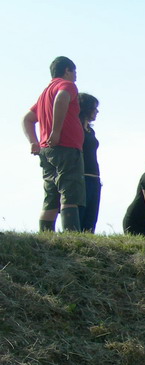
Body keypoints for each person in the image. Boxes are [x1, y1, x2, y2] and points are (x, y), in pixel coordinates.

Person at [21, 56, 84, 232]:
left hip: (47, 150)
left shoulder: (44, 94)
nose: (76, 76)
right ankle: (72, 237)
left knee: (51, 195)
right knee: (69, 192)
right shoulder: (66, 85)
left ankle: (45, 235)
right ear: (67, 70)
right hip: (66, 147)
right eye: (74, 71)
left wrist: (33, 142)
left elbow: (27, 119)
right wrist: (56, 132)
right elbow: (62, 98)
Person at [77, 93, 101, 233]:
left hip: (94, 177)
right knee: (80, 216)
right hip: (82, 176)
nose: (97, 111)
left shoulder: (90, 131)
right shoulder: (77, 129)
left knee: (91, 220)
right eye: (94, 108)